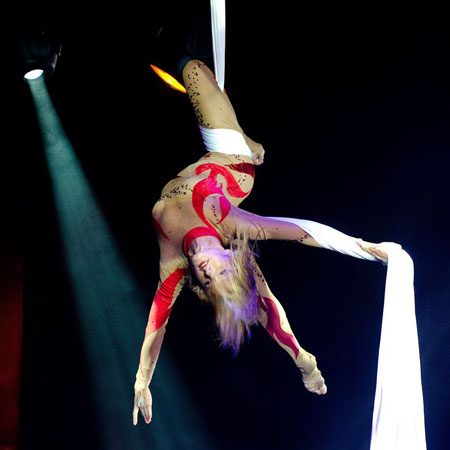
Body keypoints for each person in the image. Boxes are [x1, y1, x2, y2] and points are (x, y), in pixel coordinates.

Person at [132, 60, 389, 426]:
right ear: (228, 254)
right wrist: (360, 246)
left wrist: (142, 380)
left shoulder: (172, 263)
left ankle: (253, 143)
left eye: (208, 280)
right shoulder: (226, 221)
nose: (209, 271)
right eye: (223, 270)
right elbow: (301, 231)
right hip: (230, 159)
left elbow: (155, 328)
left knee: (184, 66)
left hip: (204, 161)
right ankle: (250, 145)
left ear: (198, 283)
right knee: (189, 67)